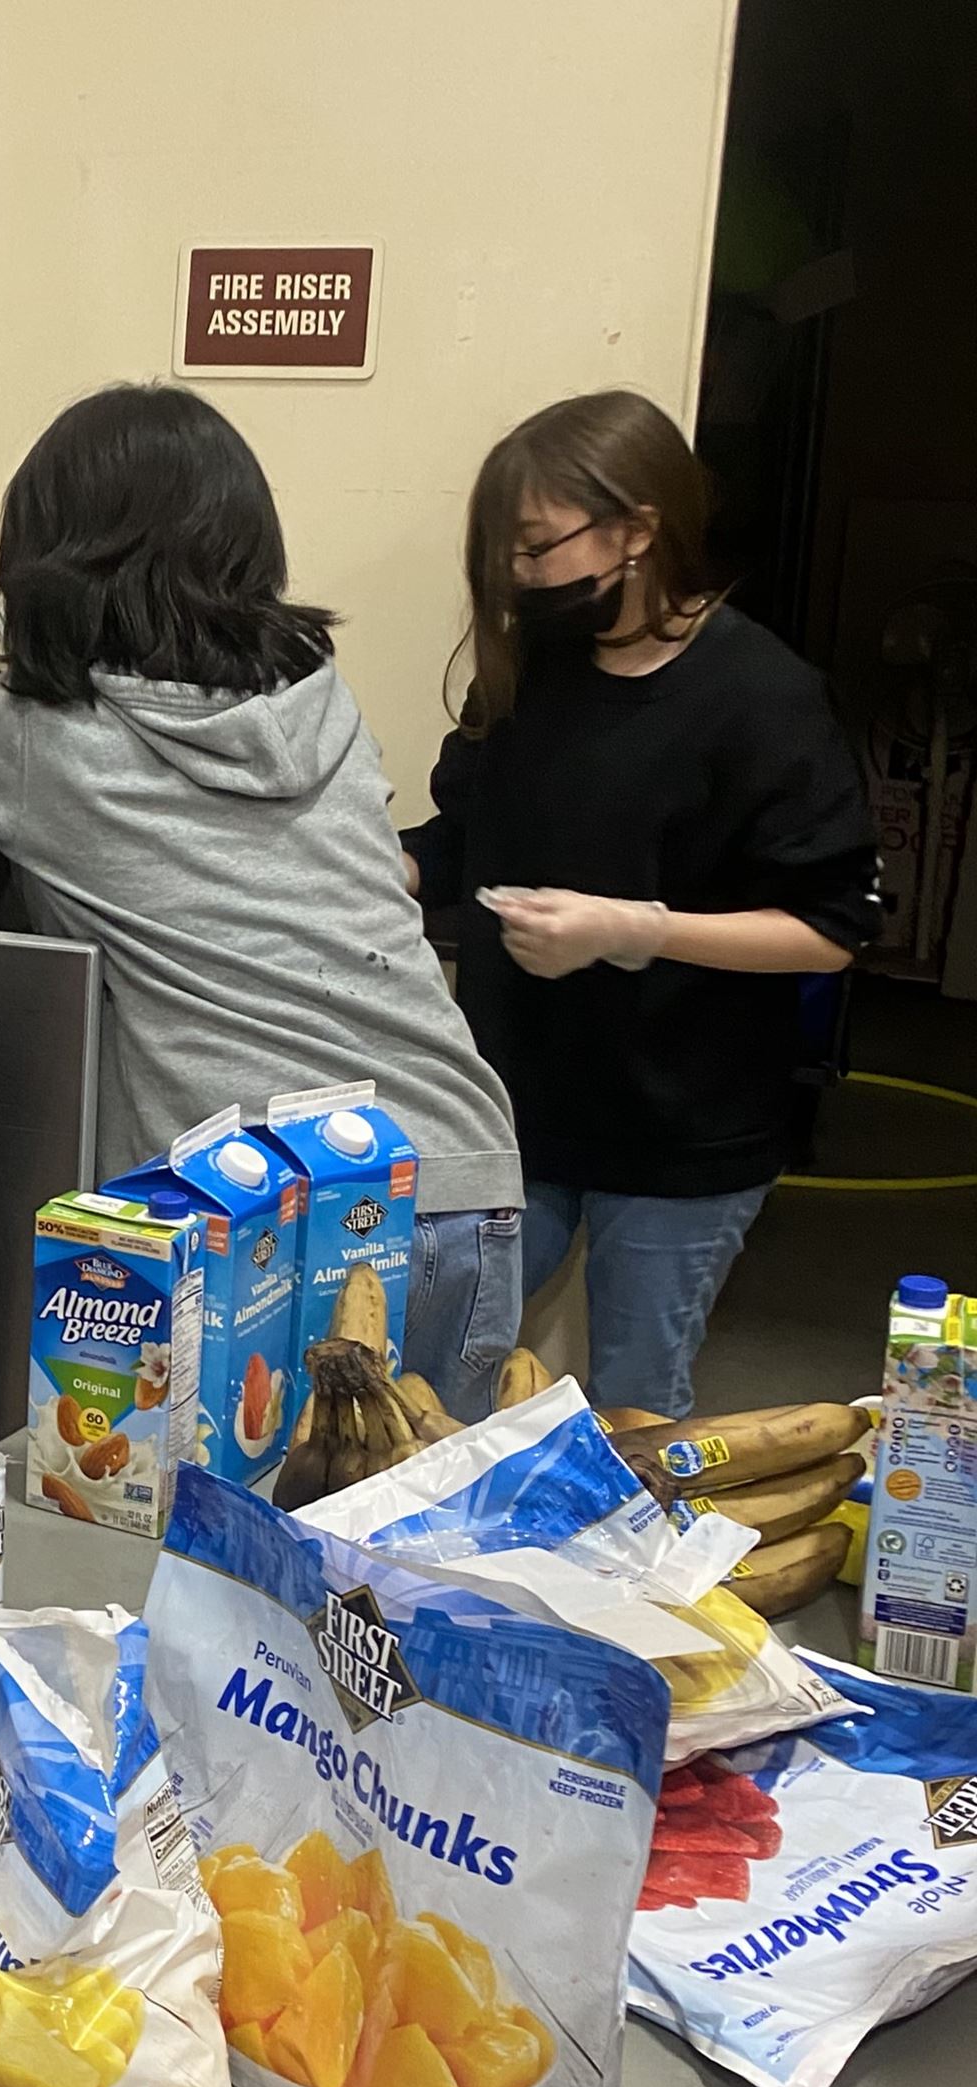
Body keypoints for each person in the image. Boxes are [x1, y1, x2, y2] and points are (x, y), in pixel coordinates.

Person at [0, 383, 525, 1418]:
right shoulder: (316, 695)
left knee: (222, 1562)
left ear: (44, 554)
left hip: (265, 1217)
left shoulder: (41, 731)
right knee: (410, 1552)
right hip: (452, 1168)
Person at [402, 389, 881, 1420]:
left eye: (536, 546)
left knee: (633, 1406)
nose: (519, 578)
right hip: (510, 1109)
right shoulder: (533, 670)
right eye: (504, 554)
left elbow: (828, 929)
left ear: (636, 528)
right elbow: (452, 842)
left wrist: (631, 929)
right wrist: (355, 869)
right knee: (430, 1372)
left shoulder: (761, 696)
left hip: (681, 1135)